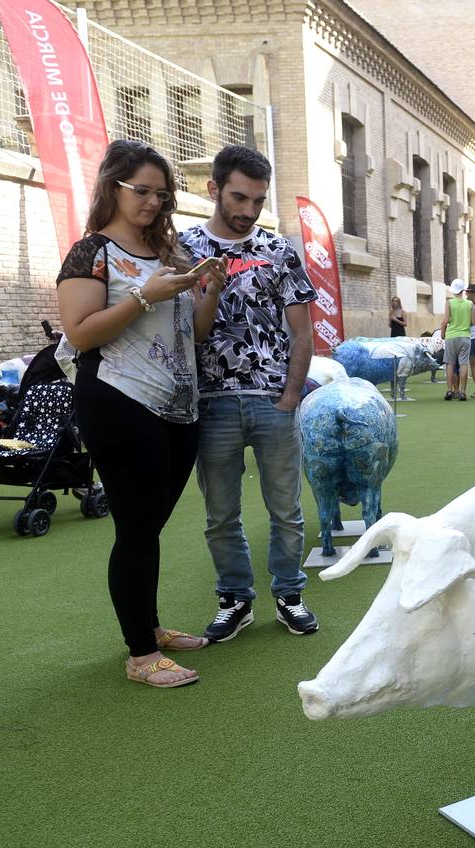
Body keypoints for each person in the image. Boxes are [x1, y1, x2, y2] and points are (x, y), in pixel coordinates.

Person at [55, 139, 227, 687]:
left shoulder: (169, 253)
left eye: (162, 193)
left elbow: (191, 335)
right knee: (135, 529)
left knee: (148, 527)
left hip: (177, 407)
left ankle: (148, 627)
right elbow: (80, 334)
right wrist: (145, 297)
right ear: (113, 186)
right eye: (142, 191)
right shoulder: (92, 252)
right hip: (117, 401)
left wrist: (211, 292)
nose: (153, 202)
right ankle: (139, 654)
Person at [179, 145, 319, 642]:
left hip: (272, 400)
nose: (247, 211)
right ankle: (235, 599)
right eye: (238, 197)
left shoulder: (279, 250)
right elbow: (183, 333)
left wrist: (289, 397)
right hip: (211, 402)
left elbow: (303, 332)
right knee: (221, 514)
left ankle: (289, 594)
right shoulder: (182, 247)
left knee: (286, 509)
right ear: (213, 189)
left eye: (257, 201)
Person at [440, 282, 473, 400]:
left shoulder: (449, 303)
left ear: (453, 291)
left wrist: (442, 334)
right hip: (465, 336)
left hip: (451, 336)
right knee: (464, 364)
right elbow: (473, 322)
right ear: (463, 291)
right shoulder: (469, 304)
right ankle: (463, 392)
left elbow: (445, 321)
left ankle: (450, 390)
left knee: (450, 364)